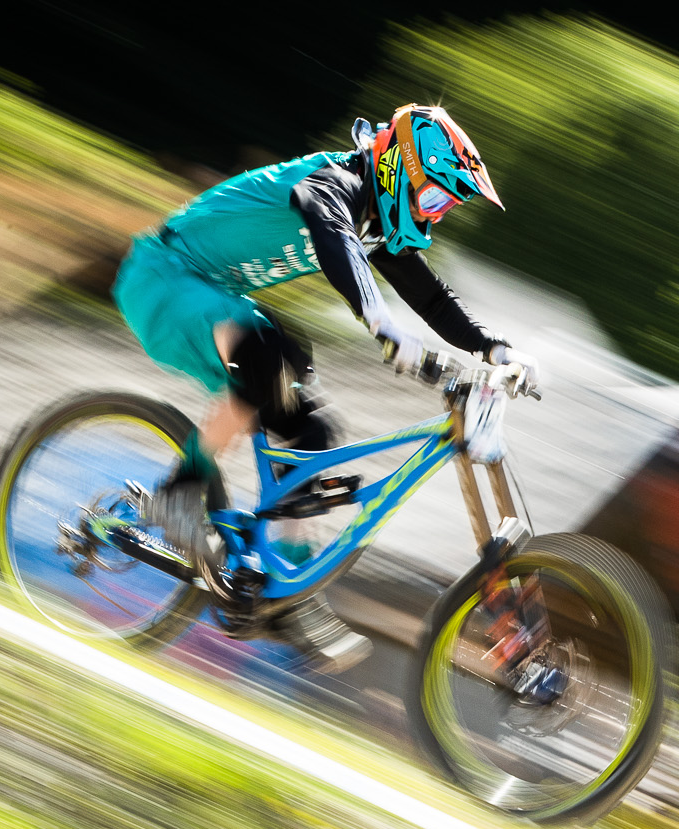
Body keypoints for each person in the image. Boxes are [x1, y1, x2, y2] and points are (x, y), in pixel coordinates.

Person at [111, 104, 536, 661]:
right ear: (400, 168)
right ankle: (178, 495)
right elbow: (334, 238)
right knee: (265, 360)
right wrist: (382, 325)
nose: (434, 214)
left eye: (445, 207)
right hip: (164, 276)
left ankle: (283, 589)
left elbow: (431, 298)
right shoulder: (334, 183)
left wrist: (494, 348)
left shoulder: (376, 219)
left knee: (310, 431)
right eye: (434, 198)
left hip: (209, 292)